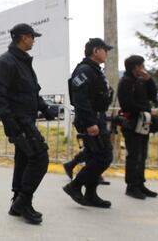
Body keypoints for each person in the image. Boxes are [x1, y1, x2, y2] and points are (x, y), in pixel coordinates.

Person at [0, 23, 55, 225]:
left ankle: (17, 202)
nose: (34, 40)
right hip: (19, 122)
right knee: (40, 158)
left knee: (25, 160)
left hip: (27, 119)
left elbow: (33, 91)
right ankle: (23, 202)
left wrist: (45, 108)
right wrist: (10, 123)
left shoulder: (23, 61)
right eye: (32, 37)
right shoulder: (7, 62)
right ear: (24, 37)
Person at [63, 38, 114, 208]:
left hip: (96, 117)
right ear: (95, 51)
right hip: (90, 120)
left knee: (94, 157)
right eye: (105, 50)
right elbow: (81, 99)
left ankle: (91, 194)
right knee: (104, 157)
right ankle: (75, 186)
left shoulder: (95, 70)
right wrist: (91, 123)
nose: (107, 53)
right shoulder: (84, 70)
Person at [117, 55, 158, 199]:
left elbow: (153, 96)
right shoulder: (126, 82)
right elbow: (127, 104)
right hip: (132, 124)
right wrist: (146, 110)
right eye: (141, 65)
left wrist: (149, 80)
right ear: (135, 67)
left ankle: (140, 184)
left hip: (144, 124)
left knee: (142, 155)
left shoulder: (140, 81)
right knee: (134, 155)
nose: (143, 68)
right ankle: (131, 186)